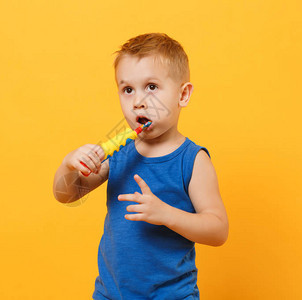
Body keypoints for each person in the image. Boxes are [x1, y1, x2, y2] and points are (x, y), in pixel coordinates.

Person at [53, 32, 229, 300]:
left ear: (183, 94)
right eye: (127, 90)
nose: (138, 102)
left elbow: (218, 230)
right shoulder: (118, 153)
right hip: (111, 294)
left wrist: (166, 214)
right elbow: (67, 194)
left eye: (152, 87)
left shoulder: (192, 160)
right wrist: (68, 165)